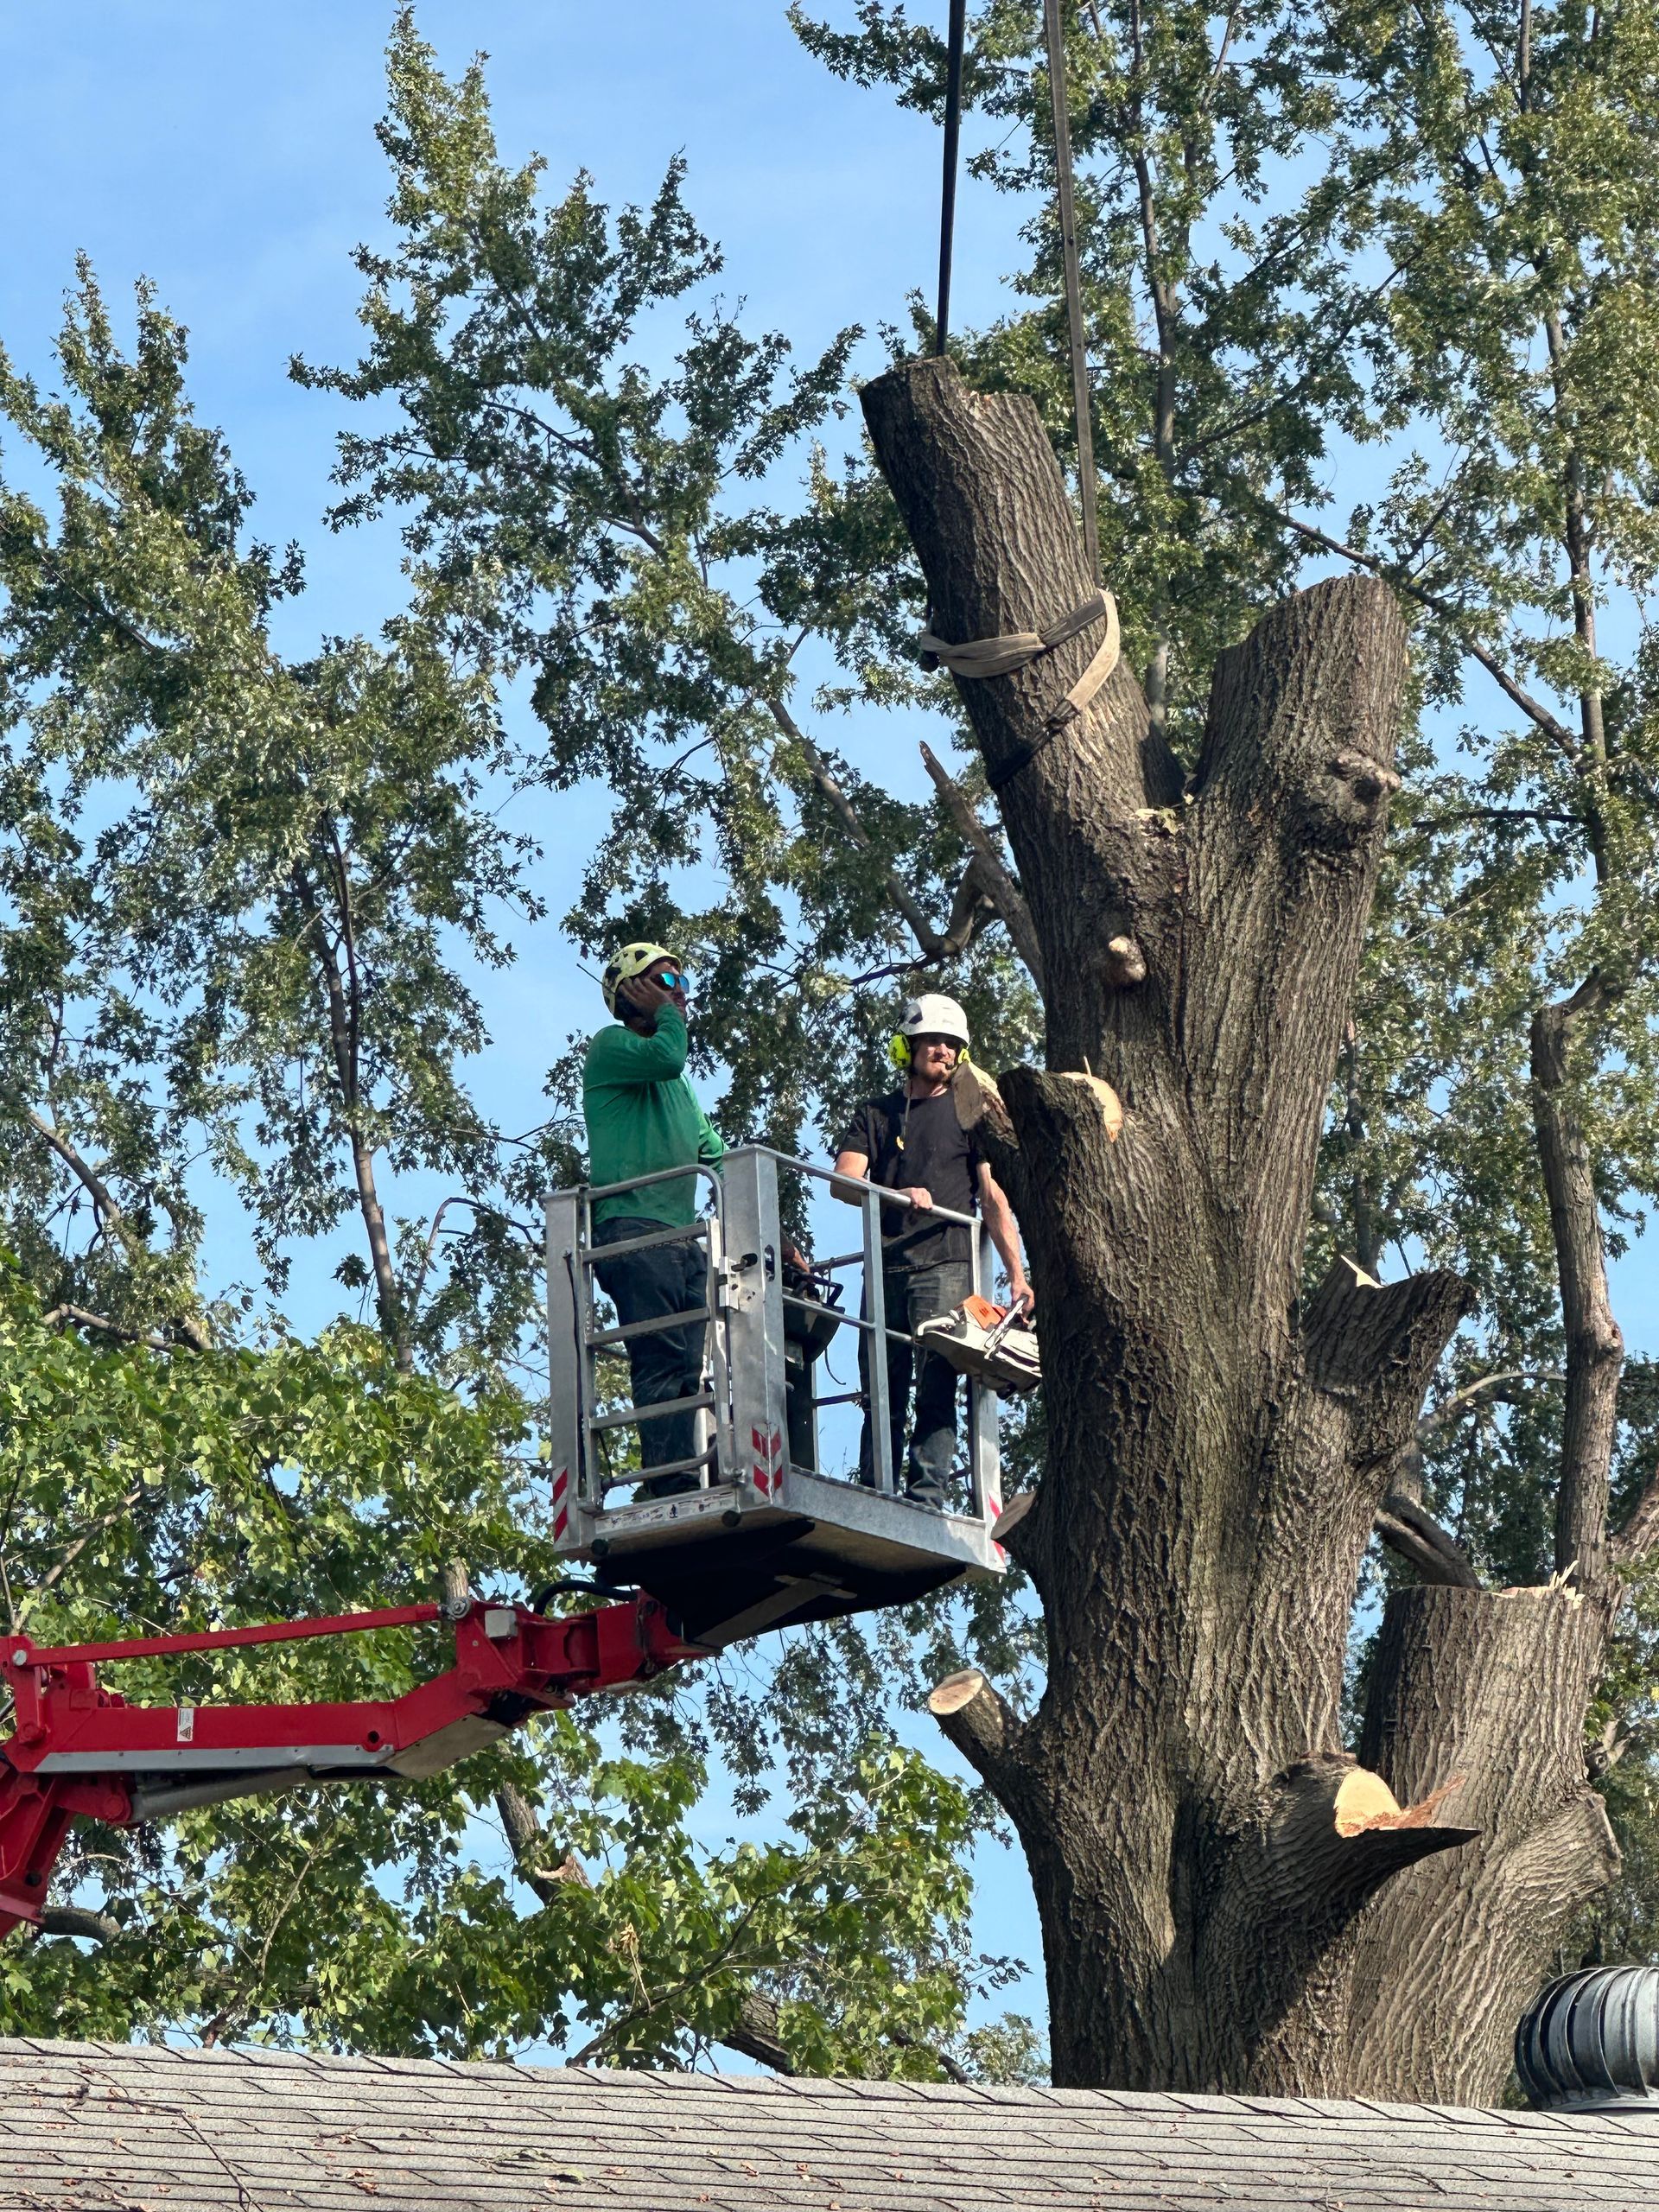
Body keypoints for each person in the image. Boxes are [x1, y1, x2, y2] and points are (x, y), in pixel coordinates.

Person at [833, 994, 1032, 1507]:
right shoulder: (877, 1114)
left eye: (951, 1044)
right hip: (886, 1267)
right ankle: (876, 1491)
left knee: (937, 1383)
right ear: (909, 1045)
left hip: (947, 1263)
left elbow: (992, 1198)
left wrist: (1017, 1275)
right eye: (932, 1041)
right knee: (882, 1384)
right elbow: (844, 1181)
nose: (942, 1050)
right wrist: (896, 1195)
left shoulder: (970, 1118)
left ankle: (927, 1494)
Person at [582, 942, 724, 1498]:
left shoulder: (677, 1084)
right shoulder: (611, 1047)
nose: (679, 993)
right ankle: (669, 1482)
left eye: (682, 981)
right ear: (630, 993)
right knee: (662, 1359)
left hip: (680, 1238)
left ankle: (677, 1473)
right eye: (666, 981)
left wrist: (776, 1229)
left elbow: (713, 1151)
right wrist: (667, 1017)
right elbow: (669, 1055)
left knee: (690, 1362)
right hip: (634, 1232)